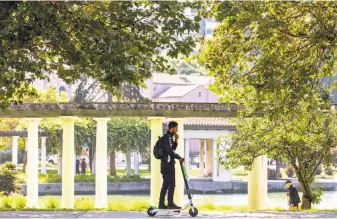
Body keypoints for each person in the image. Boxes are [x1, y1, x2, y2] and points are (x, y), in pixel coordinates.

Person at [158, 121, 184, 210]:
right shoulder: (167, 138)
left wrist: (176, 140)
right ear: (172, 128)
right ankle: (170, 204)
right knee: (172, 184)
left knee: (165, 184)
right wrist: (179, 157)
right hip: (168, 165)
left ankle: (161, 204)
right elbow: (170, 151)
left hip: (165, 165)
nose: (177, 130)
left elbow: (172, 149)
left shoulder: (169, 137)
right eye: (176, 128)